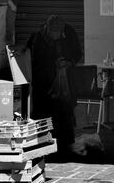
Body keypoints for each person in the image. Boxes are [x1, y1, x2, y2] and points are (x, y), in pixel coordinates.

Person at [25, 15, 82, 155]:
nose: (56, 36)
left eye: (59, 33)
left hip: (65, 82)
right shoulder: (37, 38)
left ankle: (65, 144)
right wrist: (53, 65)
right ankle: (45, 143)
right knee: (45, 113)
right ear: (48, 29)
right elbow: (34, 61)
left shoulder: (68, 34)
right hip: (44, 84)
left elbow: (77, 53)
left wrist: (69, 63)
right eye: (53, 33)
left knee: (65, 112)